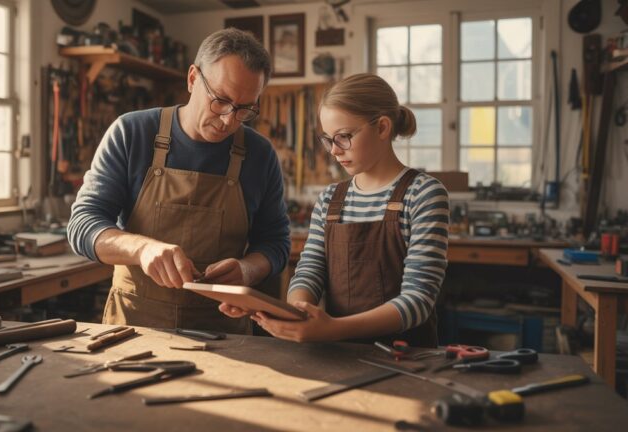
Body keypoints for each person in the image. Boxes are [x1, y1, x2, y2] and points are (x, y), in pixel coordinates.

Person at [67, 28, 290, 333]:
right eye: (221, 100)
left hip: (222, 331)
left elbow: (276, 242)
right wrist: (141, 249)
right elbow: (82, 225)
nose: (229, 120)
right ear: (192, 78)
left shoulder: (260, 154)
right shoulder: (131, 133)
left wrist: (248, 270)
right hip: (135, 329)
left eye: (244, 109)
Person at [222, 73, 449, 347]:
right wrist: (295, 312)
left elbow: (418, 301)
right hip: (340, 355)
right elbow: (309, 271)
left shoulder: (423, 194)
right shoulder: (331, 199)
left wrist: (333, 330)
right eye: (328, 139)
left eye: (343, 137)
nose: (333, 151)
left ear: (382, 128)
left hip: (406, 359)